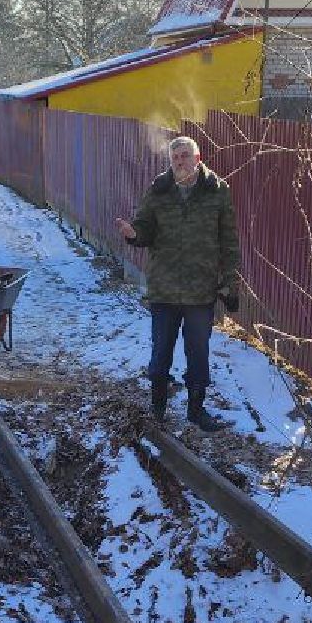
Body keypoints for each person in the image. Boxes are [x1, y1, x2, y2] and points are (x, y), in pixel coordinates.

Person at [115, 136, 240, 432]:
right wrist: (133, 233)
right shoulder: (159, 191)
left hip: (200, 290)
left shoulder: (217, 191)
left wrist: (229, 283)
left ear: (198, 159)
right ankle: (157, 408)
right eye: (175, 158)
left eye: (185, 156)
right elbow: (144, 228)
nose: (180, 162)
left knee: (198, 353)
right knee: (161, 352)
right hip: (165, 290)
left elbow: (229, 242)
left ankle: (196, 411)